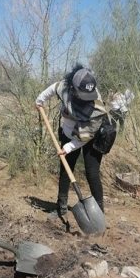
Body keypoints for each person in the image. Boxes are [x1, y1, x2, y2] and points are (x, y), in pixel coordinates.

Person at [35, 64, 108, 217]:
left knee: (92, 173)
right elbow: (54, 88)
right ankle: (61, 208)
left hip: (91, 136)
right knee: (65, 170)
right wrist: (40, 100)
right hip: (69, 132)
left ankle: (99, 214)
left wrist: (68, 148)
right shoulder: (65, 87)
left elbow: (85, 136)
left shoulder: (97, 107)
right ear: (73, 88)